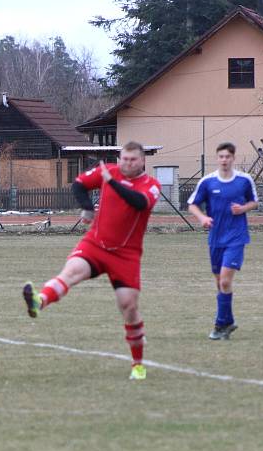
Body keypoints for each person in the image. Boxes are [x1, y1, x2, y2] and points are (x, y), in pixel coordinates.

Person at [22, 141, 161, 380]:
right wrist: (87, 208)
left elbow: (139, 203)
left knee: (128, 306)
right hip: (96, 244)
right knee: (71, 271)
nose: (127, 163)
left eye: (133, 160)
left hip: (126, 254)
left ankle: (138, 364)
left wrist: (112, 182)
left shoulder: (151, 185)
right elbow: (78, 184)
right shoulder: (109, 171)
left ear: (142, 161)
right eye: (124, 159)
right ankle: (39, 301)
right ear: (119, 159)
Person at [187, 142, 258, 340]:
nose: (224, 160)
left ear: (233, 158)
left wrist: (243, 209)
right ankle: (228, 322)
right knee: (220, 283)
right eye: (221, 157)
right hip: (215, 238)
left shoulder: (244, 180)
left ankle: (219, 325)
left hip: (236, 237)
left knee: (226, 280)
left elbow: (254, 201)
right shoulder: (208, 182)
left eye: (227, 156)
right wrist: (202, 218)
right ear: (217, 158)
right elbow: (192, 205)